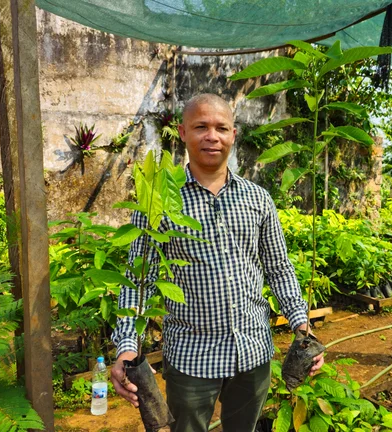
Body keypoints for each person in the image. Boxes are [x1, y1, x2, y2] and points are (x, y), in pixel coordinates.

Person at [110, 93, 324, 432]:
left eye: (221, 128)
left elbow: (278, 268)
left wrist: (303, 328)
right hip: (193, 357)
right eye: (201, 127)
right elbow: (139, 281)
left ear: (233, 134)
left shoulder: (257, 198)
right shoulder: (160, 202)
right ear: (182, 132)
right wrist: (125, 347)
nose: (212, 136)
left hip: (254, 352)